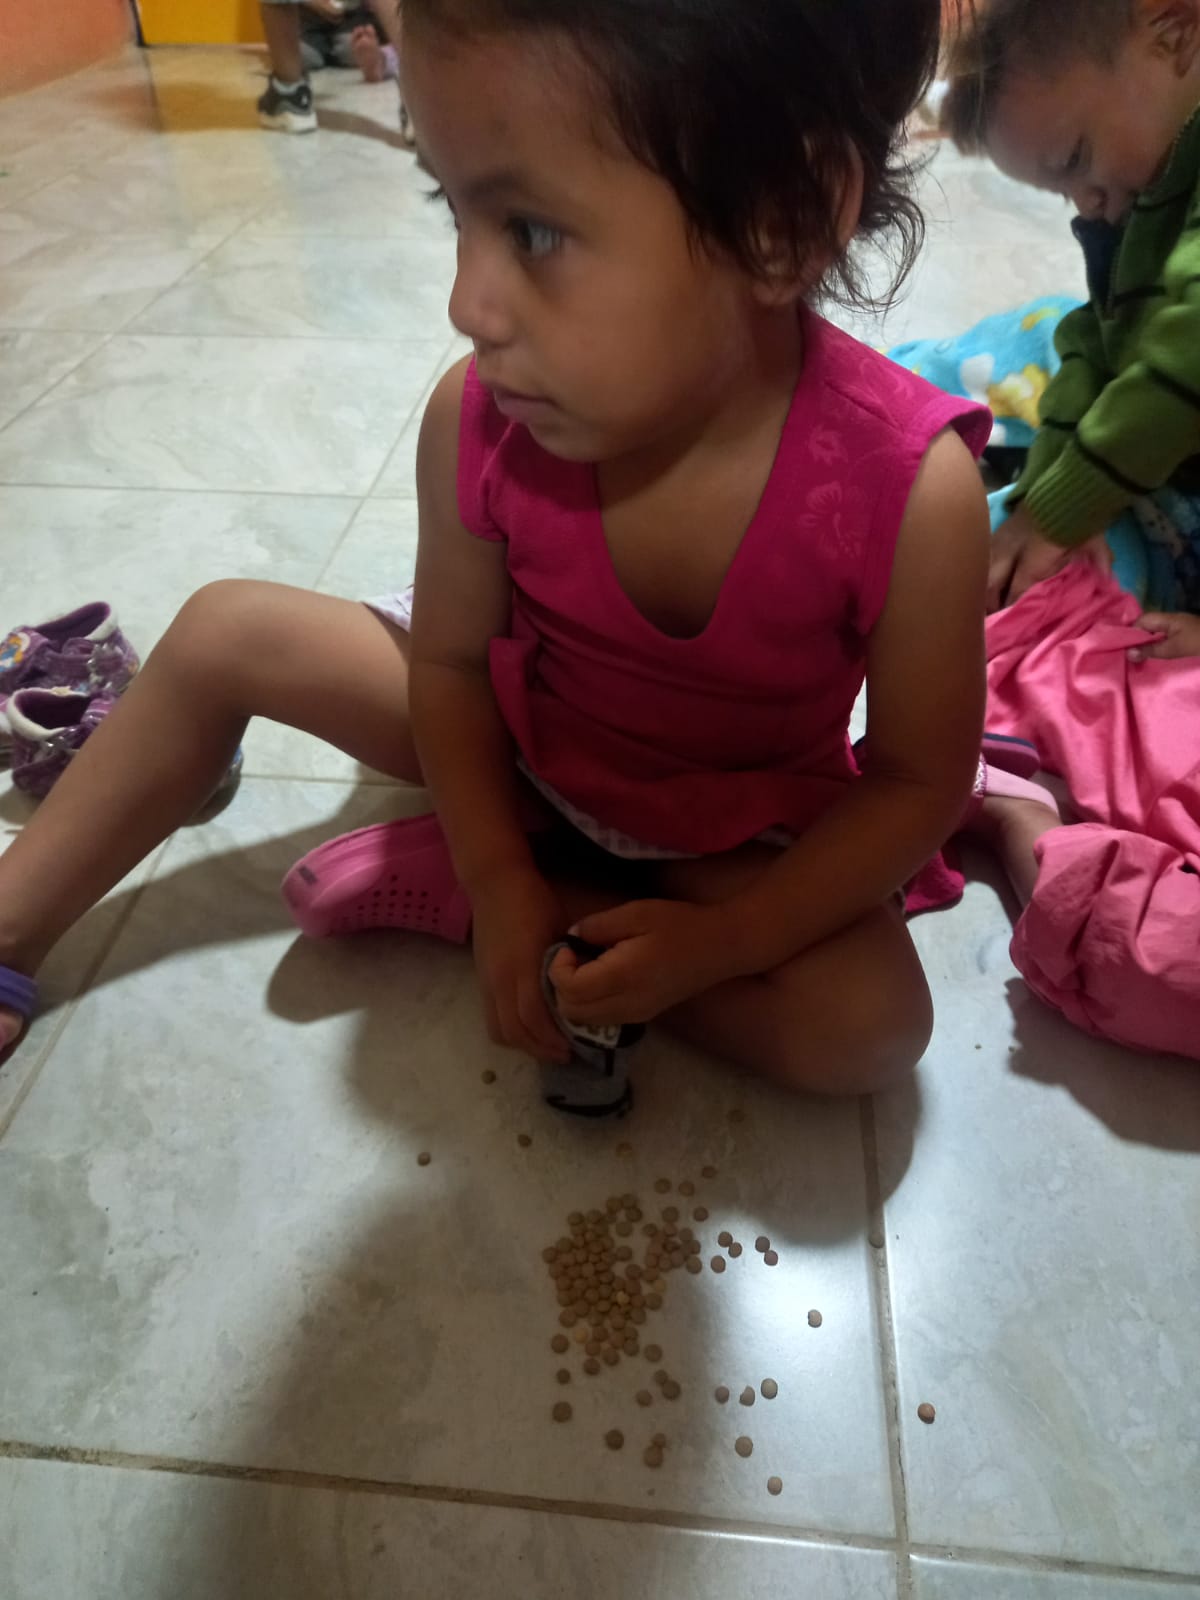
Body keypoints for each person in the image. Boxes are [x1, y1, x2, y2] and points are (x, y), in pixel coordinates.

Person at [0, 0, 993, 1095]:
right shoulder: (480, 416)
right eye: (454, 209)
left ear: (782, 218)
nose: (467, 304)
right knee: (224, 633)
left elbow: (916, 783)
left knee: (869, 1030)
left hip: (729, 825)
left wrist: (727, 942)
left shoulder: (913, 494)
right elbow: (451, 667)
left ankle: (510, 899)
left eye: (531, 232)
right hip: (519, 746)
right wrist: (497, 861)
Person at [934, 0, 1200, 1058]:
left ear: (1174, 31)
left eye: (1079, 159)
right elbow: (1100, 340)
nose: (1086, 201)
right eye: (1061, 191)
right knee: (1048, 357)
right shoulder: (1135, 192)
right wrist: (1044, 492)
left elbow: (1183, 360)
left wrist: (1060, 511)